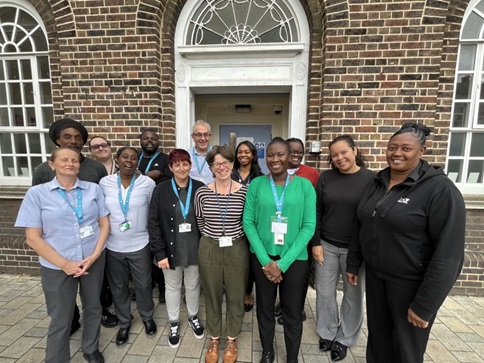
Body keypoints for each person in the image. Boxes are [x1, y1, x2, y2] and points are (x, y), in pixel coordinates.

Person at [346, 123, 466, 363]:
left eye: (406, 148)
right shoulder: (377, 181)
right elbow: (363, 222)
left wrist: (425, 305)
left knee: (406, 348)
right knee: (379, 340)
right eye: (392, 147)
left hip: (411, 284)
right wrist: (353, 262)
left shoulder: (440, 191)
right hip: (377, 277)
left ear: (422, 150)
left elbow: (449, 256)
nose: (397, 153)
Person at [15, 148, 110, 363]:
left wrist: (95, 255)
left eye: (74, 160)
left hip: (92, 260)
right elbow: (32, 238)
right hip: (56, 266)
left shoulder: (93, 190)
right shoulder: (37, 194)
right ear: (52, 164)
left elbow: (104, 224)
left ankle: (91, 347)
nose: (70, 163)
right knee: (61, 317)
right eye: (64, 160)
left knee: (93, 306)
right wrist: (65, 263)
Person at [31, 118, 117, 333]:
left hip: (90, 243)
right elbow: (37, 210)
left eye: (78, 138)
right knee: (64, 294)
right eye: (67, 137)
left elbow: (103, 204)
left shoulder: (96, 168)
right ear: (58, 140)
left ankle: (99, 311)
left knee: (94, 287)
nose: (73, 141)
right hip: (60, 245)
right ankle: (71, 318)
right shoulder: (43, 171)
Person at [243, 137, 316, 363]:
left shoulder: (304, 186)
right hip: (262, 258)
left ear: (289, 157)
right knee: (264, 309)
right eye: (271, 155)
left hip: (295, 260)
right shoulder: (256, 185)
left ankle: (292, 357)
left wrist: (281, 264)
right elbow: (248, 223)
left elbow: (309, 226)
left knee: (292, 311)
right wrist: (267, 261)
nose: (275, 159)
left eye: (280, 154)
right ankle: (268, 352)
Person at [311, 135, 375, 361]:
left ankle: (345, 338)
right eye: (334, 155)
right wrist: (316, 242)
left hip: (355, 250)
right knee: (325, 293)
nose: (339, 158)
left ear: (355, 151)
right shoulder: (326, 177)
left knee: (352, 295)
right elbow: (316, 211)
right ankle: (327, 332)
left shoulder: (372, 179)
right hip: (327, 246)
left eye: (343, 152)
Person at [194, 145, 249, 363]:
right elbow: (200, 221)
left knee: (236, 295)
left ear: (233, 164)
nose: (222, 167)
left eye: (226, 162)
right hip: (209, 247)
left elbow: (248, 222)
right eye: (217, 163)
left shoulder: (245, 191)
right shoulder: (202, 192)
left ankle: (232, 339)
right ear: (211, 167)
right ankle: (215, 338)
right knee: (212, 294)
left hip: (236, 248)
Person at [99, 147, 157, 347]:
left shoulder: (147, 183)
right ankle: (124, 322)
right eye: (125, 157)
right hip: (113, 245)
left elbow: (152, 212)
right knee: (118, 286)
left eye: (134, 158)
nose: (129, 161)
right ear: (117, 160)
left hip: (140, 243)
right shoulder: (105, 183)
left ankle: (147, 317)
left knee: (143, 284)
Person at [148, 149, 205, 349]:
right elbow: (153, 222)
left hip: (194, 249)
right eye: (177, 164)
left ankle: (193, 316)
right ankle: (173, 323)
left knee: (193, 285)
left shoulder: (200, 188)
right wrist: (159, 253)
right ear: (171, 167)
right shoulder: (161, 189)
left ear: (190, 165)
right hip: (169, 251)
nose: (182, 168)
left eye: (185, 163)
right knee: (172, 287)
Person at [274, 137, 319, 325]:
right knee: (282, 272)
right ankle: (284, 304)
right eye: (292, 151)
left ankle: (296, 309)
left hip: (301, 235)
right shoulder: (275, 172)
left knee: (298, 277)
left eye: (300, 151)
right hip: (278, 233)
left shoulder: (311, 174)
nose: (296, 154)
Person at [137, 128, 173, 304]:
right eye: (146, 138)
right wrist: (148, 176)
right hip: (138, 210)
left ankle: (162, 288)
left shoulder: (165, 159)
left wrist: (142, 177)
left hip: (159, 209)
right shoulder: (135, 158)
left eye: (153, 138)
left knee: (159, 247)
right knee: (143, 251)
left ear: (158, 141)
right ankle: (145, 286)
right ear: (141, 141)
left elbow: (168, 180)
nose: (149, 141)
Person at [231, 140, 264, 312]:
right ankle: (233, 290)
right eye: (240, 152)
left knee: (250, 260)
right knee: (235, 259)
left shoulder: (260, 176)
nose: (243, 155)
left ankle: (247, 292)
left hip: (253, 225)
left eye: (247, 152)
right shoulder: (230, 173)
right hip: (232, 223)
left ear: (253, 154)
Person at [188, 120, 214, 184]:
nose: (203, 138)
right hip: (192, 192)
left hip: (212, 192)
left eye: (206, 135)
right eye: (199, 135)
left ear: (210, 136)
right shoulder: (186, 155)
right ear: (193, 137)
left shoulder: (217, 154)